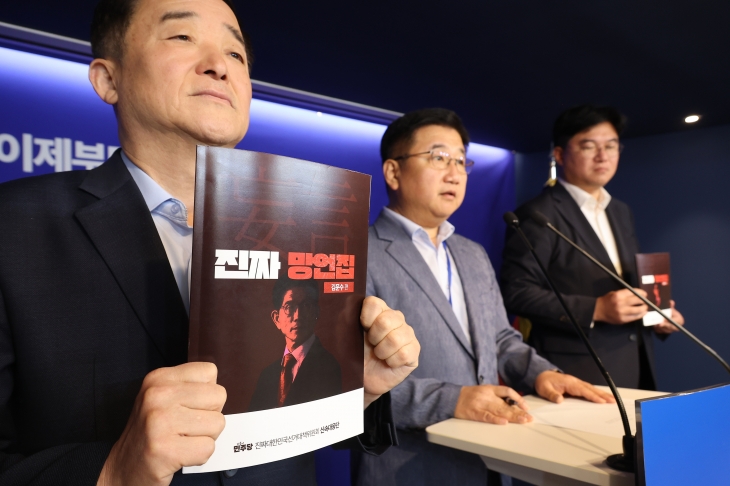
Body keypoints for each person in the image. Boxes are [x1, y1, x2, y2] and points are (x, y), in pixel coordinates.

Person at [0, 0, 421, 484]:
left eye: (236, 54)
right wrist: (113, 470)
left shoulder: (300, 230)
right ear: (108, 79)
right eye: (182, 36)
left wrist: (355, 390)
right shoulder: (15, 227)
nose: (219, 65)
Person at [352, 108, 614, 486]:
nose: (454, 173)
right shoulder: (357, 254)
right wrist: (454, 400)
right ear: (393, 172)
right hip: (408, 465)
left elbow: (500, 338)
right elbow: (348, 381)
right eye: (438, 157)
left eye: (461, 160)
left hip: (491, 455)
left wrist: (542, 374)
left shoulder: (472, 253)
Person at [500, 104, 684, 390]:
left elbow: (625, 283)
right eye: (589, 146)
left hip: (636, 364)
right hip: (577, 371)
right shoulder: (537, 214)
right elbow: (516, 293)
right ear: (560, 154)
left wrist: (656, 312)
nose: (603, 156)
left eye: (611, 146)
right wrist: (595, 309)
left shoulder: (620, 210)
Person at [248, 278, 342, 411]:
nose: (297, 316)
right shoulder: (267, 375)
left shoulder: (329, 367)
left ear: (316, 313)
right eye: (289, 307)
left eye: (306, 306)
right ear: (277, 319)